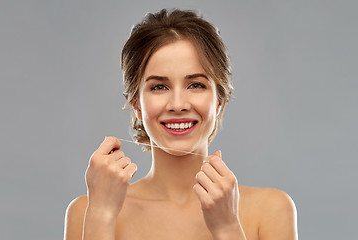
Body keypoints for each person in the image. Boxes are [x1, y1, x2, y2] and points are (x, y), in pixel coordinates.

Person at [64, 9, 298, 240]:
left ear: (219, 100)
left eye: (195, 85)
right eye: (159, 87)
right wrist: (101, 215)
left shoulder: (272, 210)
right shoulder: (85, 212)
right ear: (136, 104)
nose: (177, 104)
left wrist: (227, 227)